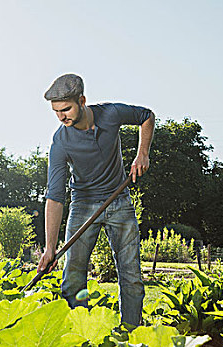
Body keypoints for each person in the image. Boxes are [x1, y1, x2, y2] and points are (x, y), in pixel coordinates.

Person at [37, 73, 155, 326]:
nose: (61, 117)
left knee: (131, 275)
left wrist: (142, 153)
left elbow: (146, 116)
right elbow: (55, 197)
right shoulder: (61, 142)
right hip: (83, 207)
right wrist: (50, 248)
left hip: (119, 201)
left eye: (66, 109)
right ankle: (80, 333)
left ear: (82, 100)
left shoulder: (110, 114)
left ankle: (131, 334)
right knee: (73, 277)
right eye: (56, 112)